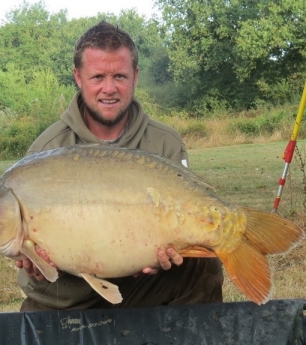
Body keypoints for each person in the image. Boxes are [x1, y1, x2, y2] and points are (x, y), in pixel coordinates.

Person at [16, 21, 223, 311]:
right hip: (68, 299)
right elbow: (28, 249)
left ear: (136, 77)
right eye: (98, 76)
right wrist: (37, 263)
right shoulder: (47, 149)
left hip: (142, 285)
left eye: (120, 76)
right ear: (78, 77)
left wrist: (170, 250)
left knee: (204, 266)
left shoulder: (164, 142)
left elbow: (183, 219)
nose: (109, 88)